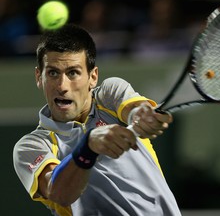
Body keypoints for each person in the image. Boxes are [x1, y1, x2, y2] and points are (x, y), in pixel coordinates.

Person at [13, 24, 181, 216]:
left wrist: (142, 117)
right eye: (52, 73)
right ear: (38, 77)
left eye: (73, 73)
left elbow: (134, 110)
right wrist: (88, 148)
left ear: (93, 77)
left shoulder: (109, 95)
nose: (62, 86)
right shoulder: (30, 146)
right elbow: (58, 193)